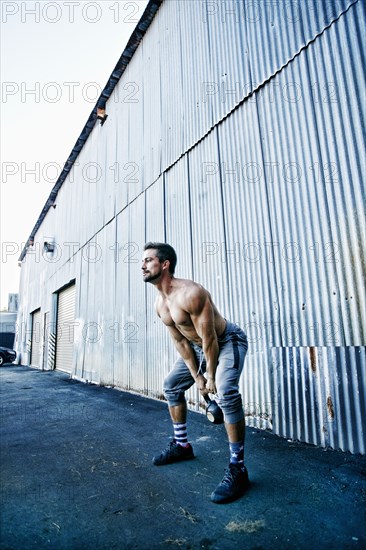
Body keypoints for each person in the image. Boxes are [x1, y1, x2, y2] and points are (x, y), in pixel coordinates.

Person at [142, 242, 249, 504]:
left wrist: (210, 377)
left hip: (226, 341)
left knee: (225, 391)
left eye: (148, 260)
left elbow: (210, 337)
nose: (142, 265)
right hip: (199, 348)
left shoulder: (191, 293)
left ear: (164, 264)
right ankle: (182, 446)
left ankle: (238, 467)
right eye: (142, 261)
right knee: (171, 386)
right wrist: (197, 376)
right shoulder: (161, 304)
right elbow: (180, 342)